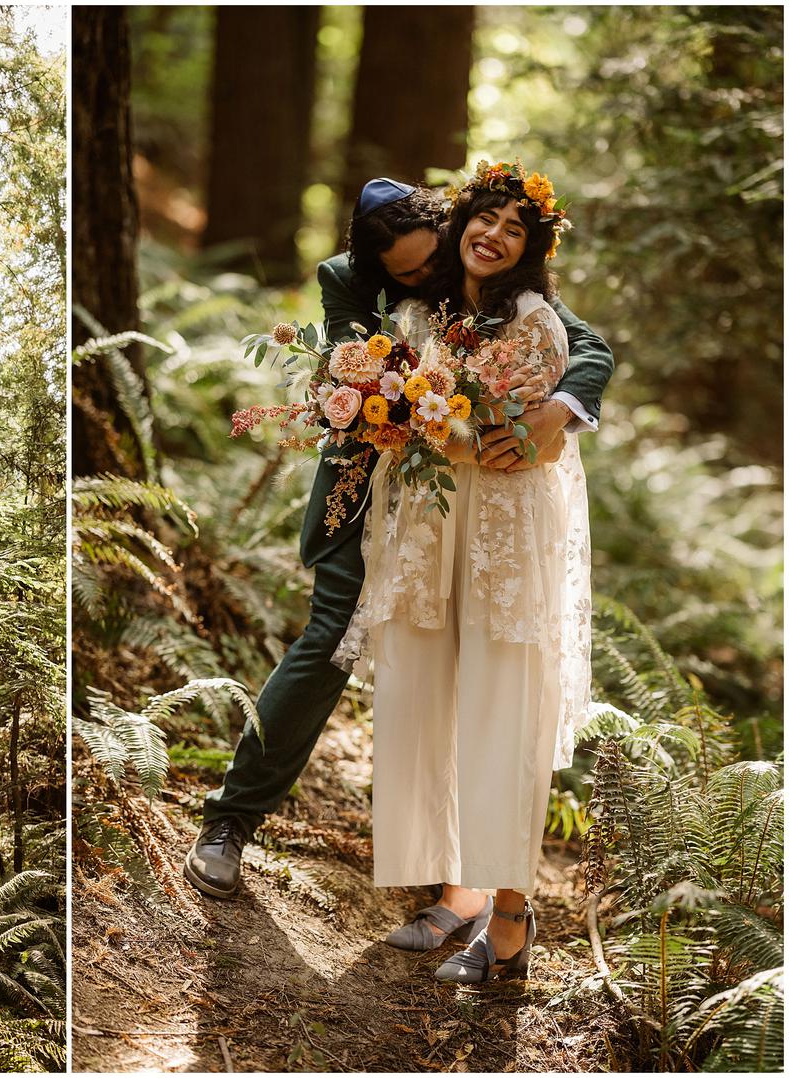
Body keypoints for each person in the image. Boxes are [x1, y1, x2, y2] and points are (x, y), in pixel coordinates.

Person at [184, 176, 614, 900]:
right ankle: (230, 820)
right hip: (368, 494)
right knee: (330, 638)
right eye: (406, 274)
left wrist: (560, 409)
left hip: (466, 507)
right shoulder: (346, 280)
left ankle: (456, 878)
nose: (426, 275)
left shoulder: (477, 246)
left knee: (465, 661)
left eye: (432, 259)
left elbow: (588, 342)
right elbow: (360, 383)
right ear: (378, 269)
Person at [333, 161, 592, 981]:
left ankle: (509, 917)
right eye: (486, 217)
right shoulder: (416, 316)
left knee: (502, 705)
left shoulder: (537, 323)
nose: (495, 235)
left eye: (516, 228)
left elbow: (528, 443)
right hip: (429, 523)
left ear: (530, 249)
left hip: (503, 535)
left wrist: (454, 432)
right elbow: (398, 412)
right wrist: (406, 422)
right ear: (460, 223)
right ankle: (457, 891)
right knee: (428, 698)